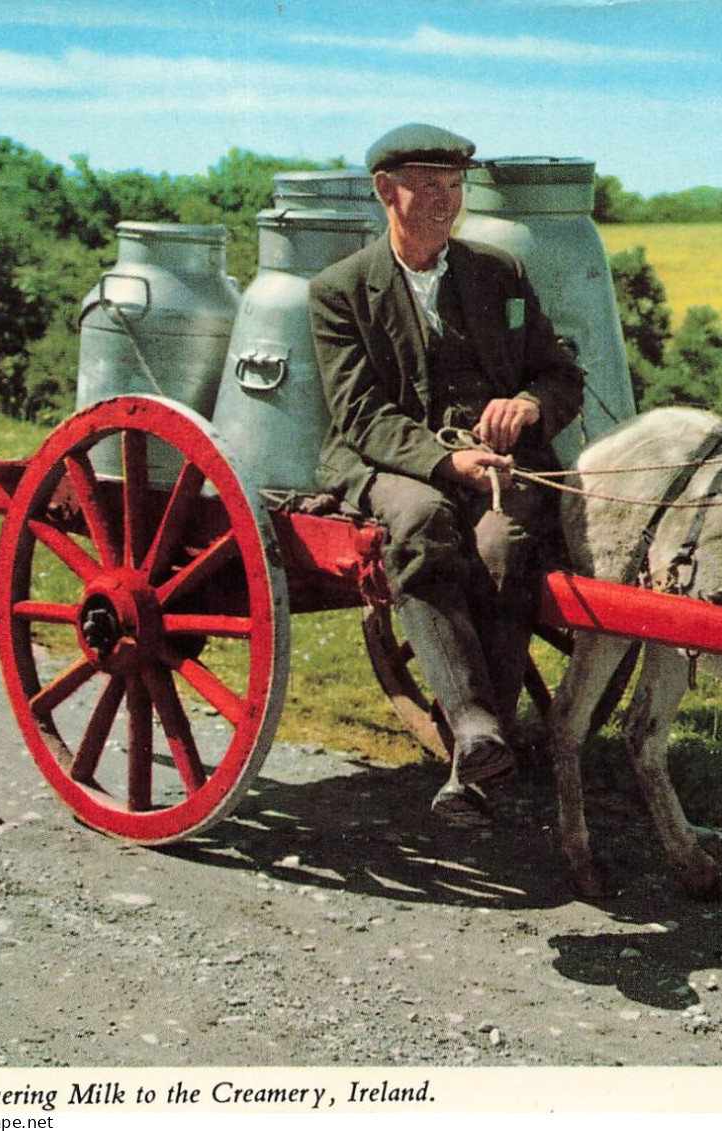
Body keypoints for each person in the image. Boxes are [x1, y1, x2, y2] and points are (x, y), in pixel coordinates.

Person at [308, 123, 584, 827]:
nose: (445, 200)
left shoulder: (499, 273)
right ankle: (471, 721)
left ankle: (475, 752)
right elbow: (359, 410)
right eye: (428, 185)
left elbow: (559, 374)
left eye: (455, 185)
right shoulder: (339, 291)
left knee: (502, 546)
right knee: (421, 518)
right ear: (384, 191)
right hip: (388, 457)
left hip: (497, 464)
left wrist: (525, 405)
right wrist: (443, 461)